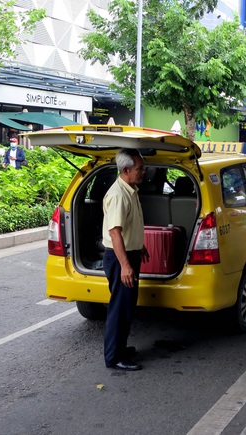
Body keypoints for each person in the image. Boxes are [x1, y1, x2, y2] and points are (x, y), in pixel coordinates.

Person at [101, 148, 149, 371]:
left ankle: (120, 348)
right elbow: (115, 233)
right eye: (140, 168)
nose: (143, 171)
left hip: (129, 253)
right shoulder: (119, 195)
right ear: (126, 170)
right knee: (119, 309)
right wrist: (125, 265)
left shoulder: (130, 189)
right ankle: (114, 357)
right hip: (120, 258)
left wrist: (139, 246)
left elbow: (129, 228)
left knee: (127, 307)